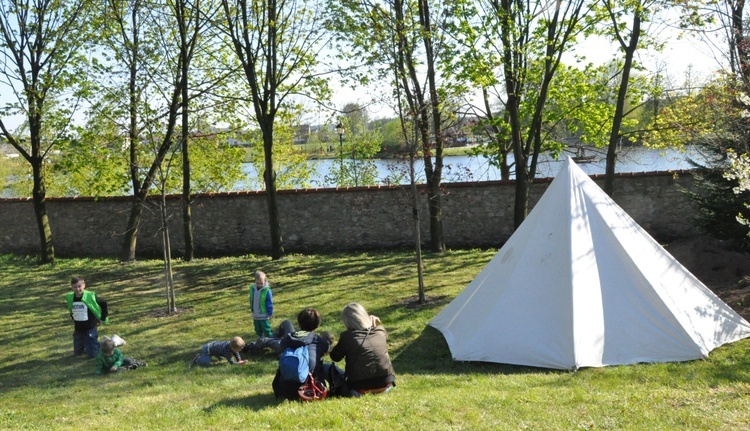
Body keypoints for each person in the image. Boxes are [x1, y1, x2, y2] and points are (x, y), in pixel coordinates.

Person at [329, 302, 396, 397]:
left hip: (359, 389)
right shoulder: (381, 331)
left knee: (328, 367)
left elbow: (335, 357)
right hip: (386, 385)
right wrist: (371, 325)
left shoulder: (347, 337)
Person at [272, 308, 334, 400]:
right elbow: (326, 351)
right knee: (321, 364)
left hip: (283, 390)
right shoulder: (320, 341)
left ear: (299, 324)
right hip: (311, 390)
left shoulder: (287, 339)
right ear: (317, 325)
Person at [65, 276, 108, 358]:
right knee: (78, 354)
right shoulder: (70, 297)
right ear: (71, 287)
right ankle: (89, 345)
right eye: (75, 287)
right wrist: (72, 316)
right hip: (78, 329)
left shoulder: (90, 296)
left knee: (93, 355)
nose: (77, 289)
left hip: (90, 327)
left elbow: (103, 303)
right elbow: (71, 308)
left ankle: (107, 343)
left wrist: (103, 318)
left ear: (84, 285)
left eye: (79, 286)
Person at [249, 271, 274, 337]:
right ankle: (260, 338)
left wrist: (270, 312)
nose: (259, 285)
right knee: (257, 328)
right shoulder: (252, 288)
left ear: (265, 281)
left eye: (261, 283)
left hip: (264, 314)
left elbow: (269, 302)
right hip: (255, 313)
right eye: (257, 283)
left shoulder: (267, 290)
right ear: (255, 281)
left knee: (266, 328)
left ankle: (270, 338)